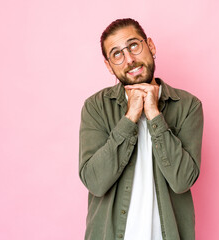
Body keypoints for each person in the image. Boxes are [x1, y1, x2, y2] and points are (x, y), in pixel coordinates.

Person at [79, 18, 204, 240]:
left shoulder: (188, 106)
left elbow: (183, 180)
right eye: (117, 54)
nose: (129, 59)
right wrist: (130, 117)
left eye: (134, 45)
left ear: (151, 46)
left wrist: (155, 115)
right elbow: (95, 182)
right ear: (109, 66)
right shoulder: (95, 107)